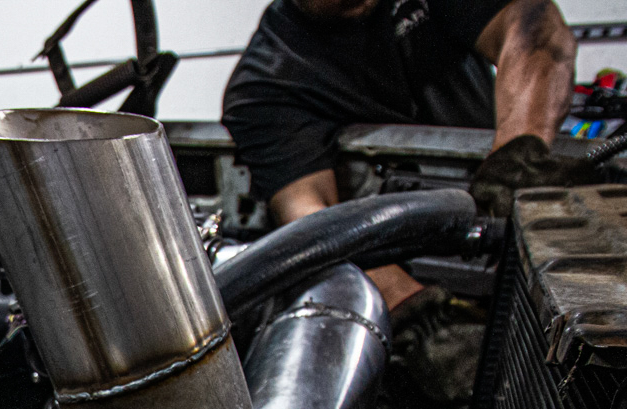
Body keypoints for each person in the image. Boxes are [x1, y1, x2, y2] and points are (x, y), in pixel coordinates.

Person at [223, 0, 581, 309]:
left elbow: (536, 29)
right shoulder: (265, 83)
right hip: (396, 270)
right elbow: (312, 222)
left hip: (505, 227)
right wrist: (419, 315)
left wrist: (518, 159)